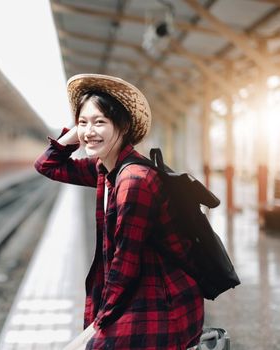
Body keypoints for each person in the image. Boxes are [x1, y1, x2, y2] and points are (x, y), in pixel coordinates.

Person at [34, 74, 204, 349]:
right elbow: (46, 165)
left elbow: (124, 264)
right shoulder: (105, 170)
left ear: (123, 127)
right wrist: (82, 130)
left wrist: (97, 326)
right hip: (143, 295)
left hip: (165, 306)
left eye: (100, 122)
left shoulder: (133, 180)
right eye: (83, 122)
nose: (89, 131)